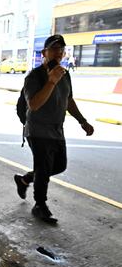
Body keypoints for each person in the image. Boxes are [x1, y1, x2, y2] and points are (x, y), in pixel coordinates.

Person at [13, 34, 94, 223]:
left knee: (59, 165)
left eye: (61, 49)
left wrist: (82, 121)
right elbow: (33, 105)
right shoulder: (34, 76)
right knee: (43, 167)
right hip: (38, 130)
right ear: (44, 53)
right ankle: (40, 205)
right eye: (54, 48)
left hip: (57, 129)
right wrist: (50, 81)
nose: (58, 52)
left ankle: (24, 180)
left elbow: (69, 100)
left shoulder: (65, 74)